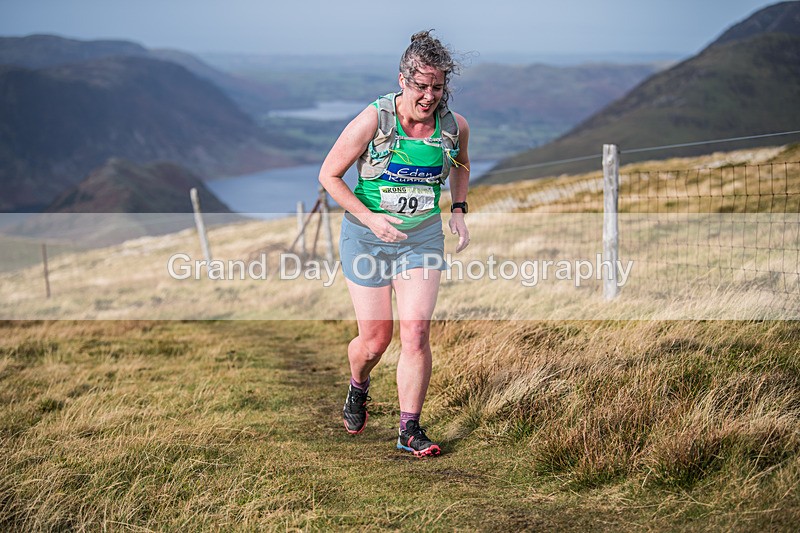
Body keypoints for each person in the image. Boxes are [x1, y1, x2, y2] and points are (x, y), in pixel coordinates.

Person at [319, 30, 470, 458]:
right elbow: (329, 175)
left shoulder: (454, 126)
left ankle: (409, 430)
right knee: (375, 340)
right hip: (367, 237)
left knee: (417, 332)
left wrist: (458, 209)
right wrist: (371, 219)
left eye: (437, 87)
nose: (428, 96)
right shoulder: (374, 119)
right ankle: (358, 386)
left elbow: (462, 165)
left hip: (420, 238)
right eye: (421, 86)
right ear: (402, 79)